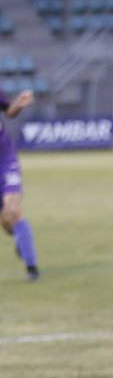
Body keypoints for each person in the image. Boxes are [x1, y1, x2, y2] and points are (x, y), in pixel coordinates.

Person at [0, 86, 39, 281]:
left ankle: (32, 268)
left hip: (5, 161)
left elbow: (8, 111)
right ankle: (18, 236)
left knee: (13, 210)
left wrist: (19, 104)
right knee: (7, 223)